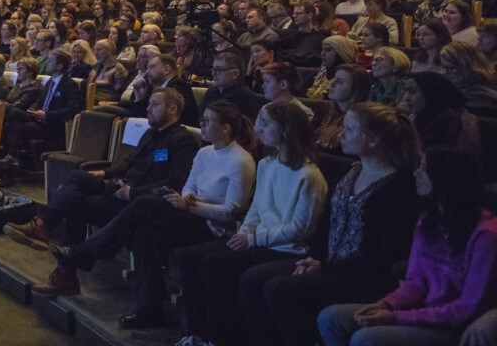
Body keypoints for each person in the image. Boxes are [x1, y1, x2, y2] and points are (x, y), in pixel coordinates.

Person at [40, 100, 258, 325]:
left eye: (208, 121)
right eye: (202, 119)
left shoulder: (241, 161)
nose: (201, 124)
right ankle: (149, 309)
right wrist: (188, 197)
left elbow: (231, 212)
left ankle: (82, 253)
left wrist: (191, 206)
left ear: (226, 128)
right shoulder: (204, 152)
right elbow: (189, 186)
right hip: (189, 214)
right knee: (144, 230)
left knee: (145, 204)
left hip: (213, 228)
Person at [239, 103, 420, 346]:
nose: (340, 135)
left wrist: (324, 266)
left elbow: (383, 252)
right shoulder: (353, 171)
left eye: (350, 130)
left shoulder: (400, 186)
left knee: (280, 289)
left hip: (364, 276)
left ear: (374, 139)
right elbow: (326, 222)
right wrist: (315, 258)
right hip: (330, 264)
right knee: (253, 280)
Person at [172, 101, 328, 346]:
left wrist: (253, 239)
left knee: (215, 264)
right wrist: (244, 232)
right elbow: (256, 208)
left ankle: (221, 338)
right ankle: (197, 332)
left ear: (285, 130)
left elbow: (300, 228)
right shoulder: (267, 164)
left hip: (284, 248)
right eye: (259, 121)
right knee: (187, 257)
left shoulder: (308, 175)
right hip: (257, 239)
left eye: (265, 123)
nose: (258, 128)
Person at [4, 88, 200, 271]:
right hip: (120, 188)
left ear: (173, 109)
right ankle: (48, 234)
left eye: (154, 105)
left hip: (139, 202)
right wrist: (105, 173)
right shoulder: (150, 133)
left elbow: (176, 181)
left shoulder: (183, 140)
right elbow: (128, 164)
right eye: (148, 104)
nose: (147, 109)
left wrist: (132, 193)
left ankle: (61, 253)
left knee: (77, 200)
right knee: (79, 179)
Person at [318, 148, 497, 346]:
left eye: (424, 169)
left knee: (366, 339)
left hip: (452, 324)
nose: (416, 173)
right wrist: (385, 304)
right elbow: (416, 283)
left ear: (443, 179)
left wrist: (397, 317)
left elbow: (467, 308)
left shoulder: (485, 236)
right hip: (421, 311)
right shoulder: (429, 222)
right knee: (331, 318)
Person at [406, 72, 482, 161]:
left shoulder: (457, 126)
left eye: (412, 92)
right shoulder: (418, 121)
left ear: (430, 92)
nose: (406, 97)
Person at [314, 65, 373, 154]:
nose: (331, 84)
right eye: (334, 78)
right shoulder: (327, 113)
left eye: (340, 82)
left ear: (356, 90)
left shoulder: (358, 122)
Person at [201, 52, 267, 120]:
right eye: (213, 69)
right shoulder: (211, 92)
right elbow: (200, 119)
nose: (213, 73)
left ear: (235, 74)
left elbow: (248, 126)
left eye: (219, 70)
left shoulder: (245, 95)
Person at [440, 42, 497, 117]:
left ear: (466, 66)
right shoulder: (480, 84)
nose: (446, 74)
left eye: (452, 68)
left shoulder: (478, 96)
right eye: (444, 68)